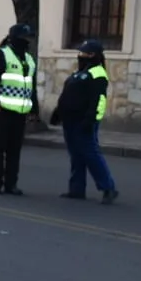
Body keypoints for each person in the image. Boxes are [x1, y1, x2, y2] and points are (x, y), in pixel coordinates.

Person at [50, 38, 118, 203]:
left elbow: (98, 100)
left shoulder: (98, 74)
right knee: (76, 155)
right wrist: (58, 111)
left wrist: (91, 119)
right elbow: (68, 94)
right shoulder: (80, 72)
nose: (80, 55)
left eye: (84, 53)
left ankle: (108, 188)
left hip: (83, 120)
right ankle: (76, 189)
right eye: (80, 52)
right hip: (70, 119)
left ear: (93, 55)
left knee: (91, 155)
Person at [0, 23, 39, 195]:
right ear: (16, 38)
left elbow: (31, 85)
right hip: (0, 110)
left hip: (20, 112)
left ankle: (11, 184)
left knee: (14, 150)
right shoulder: (1, 55)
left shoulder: (29, 59)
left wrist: (34, 108)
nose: (28, 41)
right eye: (25, 38)